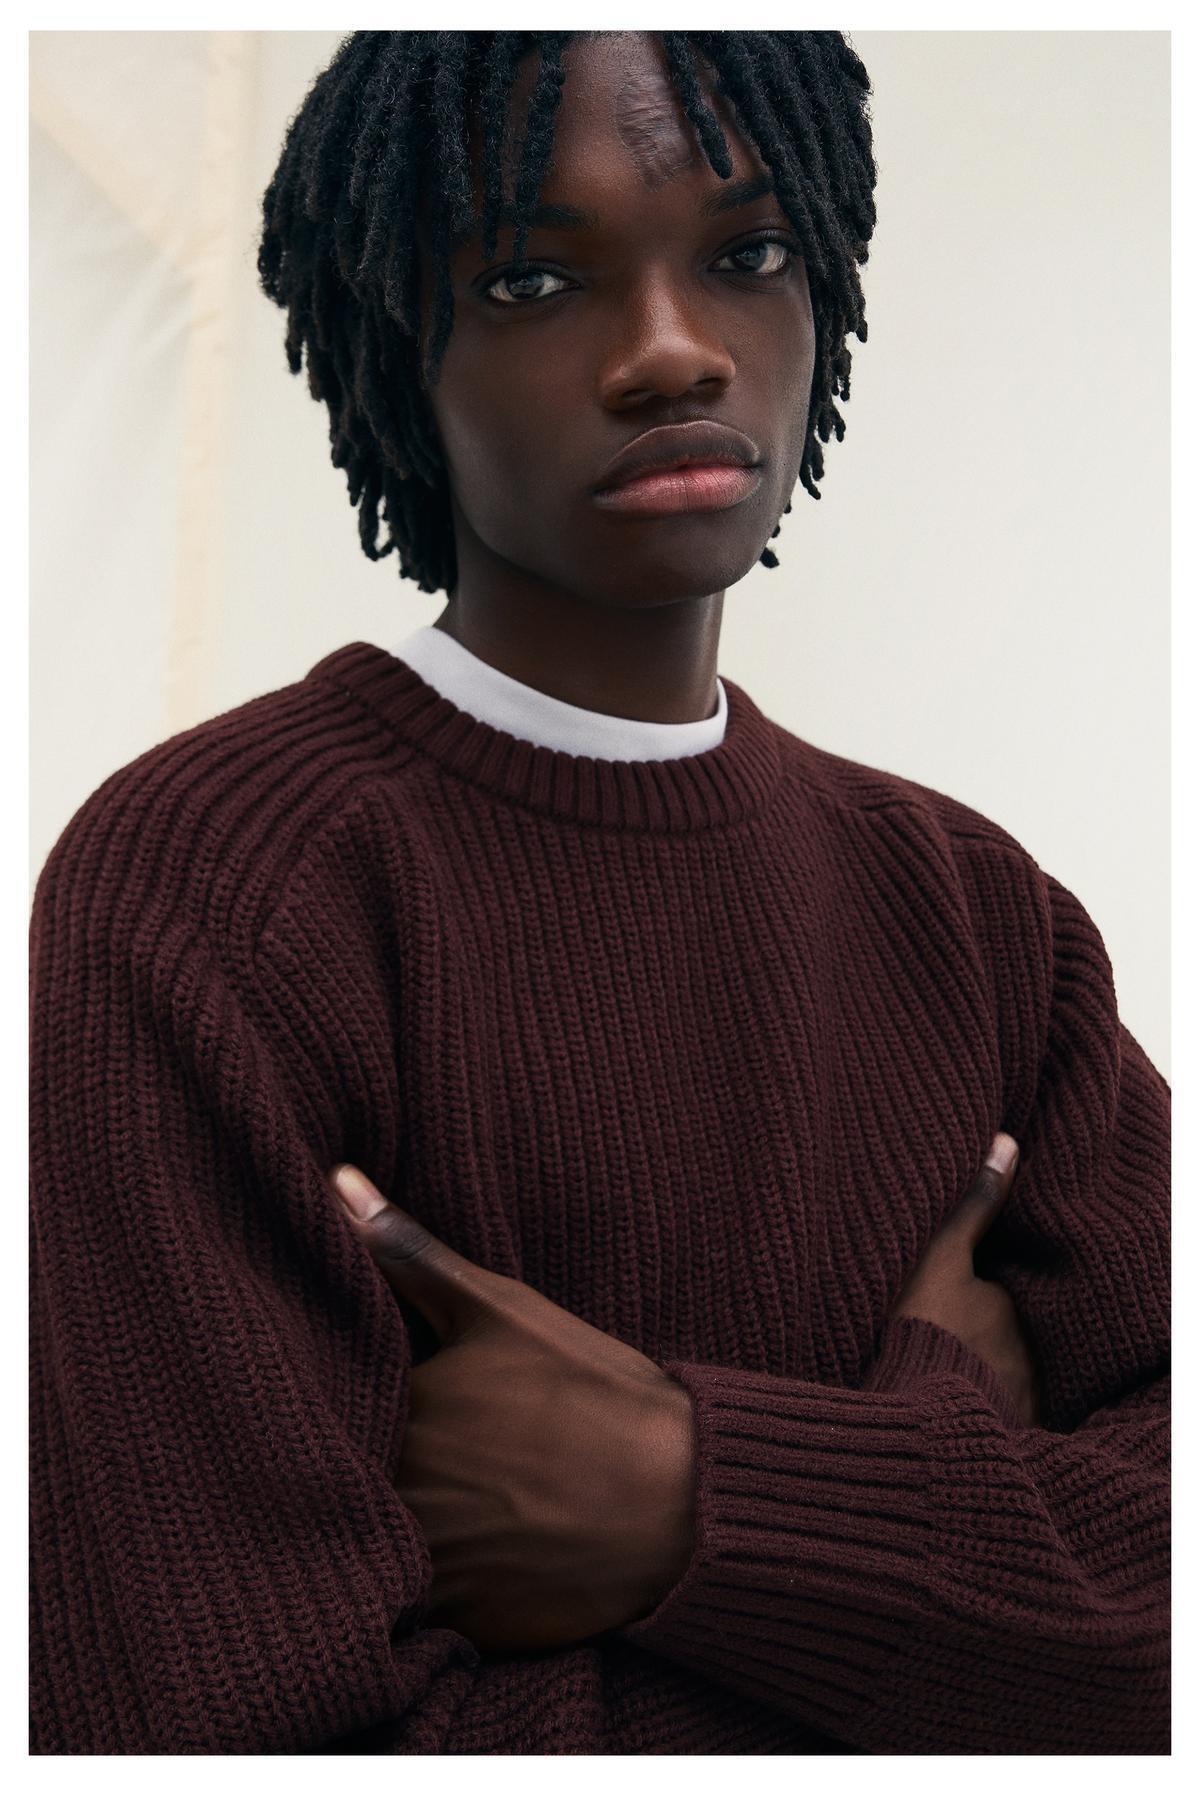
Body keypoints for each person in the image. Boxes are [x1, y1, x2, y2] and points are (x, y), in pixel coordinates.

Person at [29, 30, 1169, 1755]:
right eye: (534, 279)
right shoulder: (212, 894)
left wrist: (704, 1496)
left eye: (748, 252)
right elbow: (229, 1740)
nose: (672, 350)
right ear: (398, 353)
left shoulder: (981, 913)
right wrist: (963, 1523)